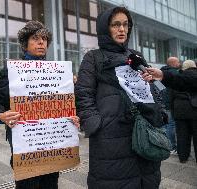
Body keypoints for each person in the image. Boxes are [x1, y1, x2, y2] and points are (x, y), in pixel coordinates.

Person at [75, 6, 163, 189]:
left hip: (145, 133)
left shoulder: (136, 56)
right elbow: (83, 94)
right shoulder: (93, 58)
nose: (122, 29)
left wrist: (160, 111)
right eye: (116, 25)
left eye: (125, 25)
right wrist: (95, 124)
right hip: (110, 139)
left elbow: (151, 86)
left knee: (146, 181)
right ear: (105, 28)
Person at [0, 20, 79, 189]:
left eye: (44, 39)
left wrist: (73, 88)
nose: (41, 42)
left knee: (51, 184)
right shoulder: (11, 71)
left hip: (53, 142)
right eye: (36, 38)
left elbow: (71, 105)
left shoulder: (57, 72)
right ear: (25, 43)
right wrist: (1, 115)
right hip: (25, 144)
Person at [170, 60, 197, 163]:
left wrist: (173, 110)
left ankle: (183, 157)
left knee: (182, 135)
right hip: (195, 109)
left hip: (180, 109)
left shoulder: (177, 77)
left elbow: (171, 95)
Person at [160, 57, 181, 154]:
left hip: (161, 102)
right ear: (173, 63)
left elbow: (159, 88)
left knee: (165, 124)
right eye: (178, 62)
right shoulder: (175, 73)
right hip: (171, 103)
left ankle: (165, 144)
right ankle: (171, 147)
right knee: (170, 124)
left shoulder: (160, 72)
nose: (179, 63)